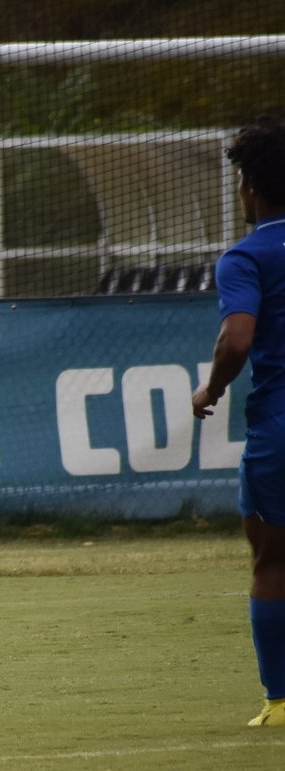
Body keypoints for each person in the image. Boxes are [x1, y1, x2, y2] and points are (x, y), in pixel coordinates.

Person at [192, 118, 285, 729]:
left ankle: (280, 702)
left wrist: (211, 387)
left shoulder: (246, 256)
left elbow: (237, 337)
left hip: (280, 426)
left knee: (273, 560)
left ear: (249, 187)